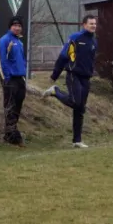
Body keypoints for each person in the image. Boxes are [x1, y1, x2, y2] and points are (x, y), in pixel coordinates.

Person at [43, 15, 98, 148]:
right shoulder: (75, 38)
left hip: (86, 78)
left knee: (80, 109)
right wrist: (54, 75)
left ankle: (77, 141)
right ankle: (55, 91)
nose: (93, 26)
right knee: (74, 101)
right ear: (84, 25)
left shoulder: (94, 41)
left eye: (95, 24)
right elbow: (63, 56)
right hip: (74, 75)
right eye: (91, 23)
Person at [0, 16, 27, 147]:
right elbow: (1, 60)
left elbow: (22, 60)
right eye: (15, 25)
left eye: (19, 26)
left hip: (20, 79)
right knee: (10, 106)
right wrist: (6, 78)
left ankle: (10, 134)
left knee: (18, 106)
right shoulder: (5, 40)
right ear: (10, 27)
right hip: (10, 79)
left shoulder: (19, 42)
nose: (17, 28)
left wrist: (24, 76)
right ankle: (12, 135)